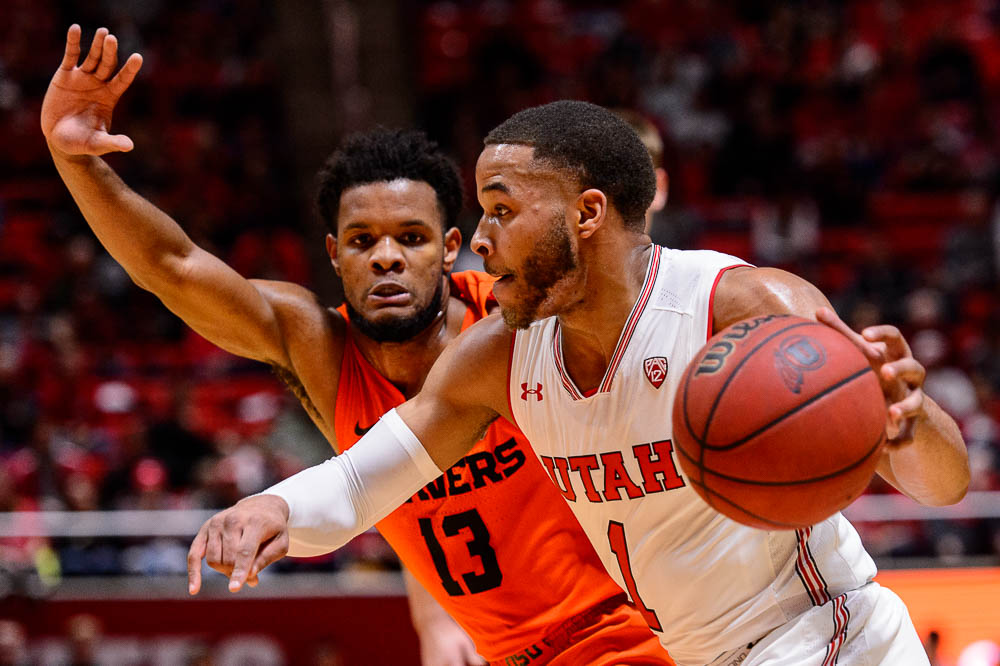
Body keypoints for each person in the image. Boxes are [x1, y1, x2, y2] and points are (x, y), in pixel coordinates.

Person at [187, 89, 971, 665]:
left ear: (586, 214)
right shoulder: (501, 355)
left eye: (501, 210)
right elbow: (366, 481)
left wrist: (907, 422)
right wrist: (272, 505)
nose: (481, 242)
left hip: (824, 636)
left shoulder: (740, 305)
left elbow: (943, 485)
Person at [40, 25, 672, 666]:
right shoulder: (317, 345)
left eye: (411, 238)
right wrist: (76, 161)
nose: (387, 258)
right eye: (363, 240)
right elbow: (171, 265)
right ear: (334, 255)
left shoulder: (518, 316)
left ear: (451, 248)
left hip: (637, 629)